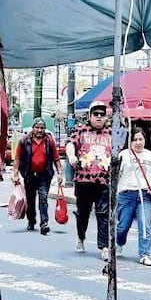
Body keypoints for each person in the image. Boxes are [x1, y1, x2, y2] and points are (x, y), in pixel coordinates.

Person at [65, 101, 113, 259]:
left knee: (103, 213)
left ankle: (104, 246)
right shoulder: (80, 130)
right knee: (83, 212)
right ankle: (80, 237)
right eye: (96, 114)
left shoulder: (111, 133)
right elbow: (70, 144)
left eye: (102, 114)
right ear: (90, 116)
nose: (99, 117)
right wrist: (71, 155)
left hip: (104, 179)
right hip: (83, 179)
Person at [116, 127, 151, 267]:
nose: (138, 142)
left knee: (145, 224)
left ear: (145, 140)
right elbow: (115, 176)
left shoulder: (150, 156)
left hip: (145, 195)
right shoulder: (123, 155)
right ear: (130, 142)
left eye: (141, 139)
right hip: (126, 194)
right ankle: (119, 243)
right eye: (135, 140)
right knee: (123, 226)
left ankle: (144, 254)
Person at [13, 118, 63, 234]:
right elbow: (17, 159)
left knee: (43, 198)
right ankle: (31, 220)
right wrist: (15, 174)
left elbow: (56, 159)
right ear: (33, 128)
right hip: (29, 175)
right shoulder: (24, 141)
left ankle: (44, 223)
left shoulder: (49, 141)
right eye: (37, 127)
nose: (40, 130)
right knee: (30, 200)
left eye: (42, 128)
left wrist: (60, 173)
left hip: (44, 176)